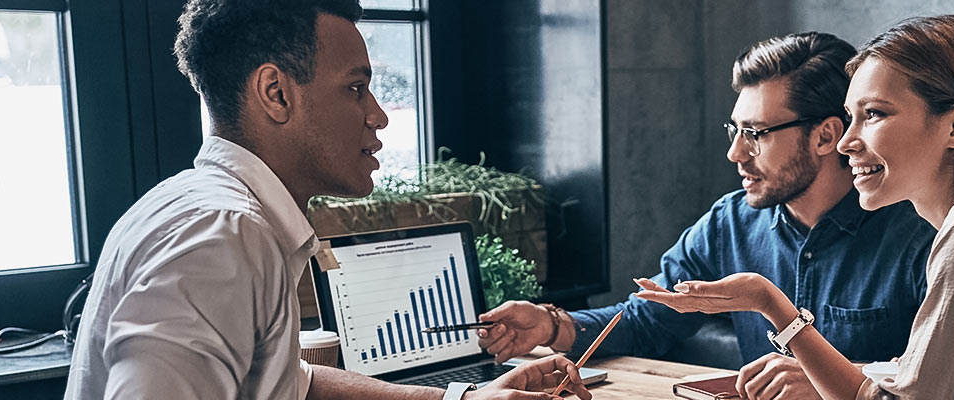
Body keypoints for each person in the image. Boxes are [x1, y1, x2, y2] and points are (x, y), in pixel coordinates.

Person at [64, 1, 592, 399]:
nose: (379, 115)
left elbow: (291, 380)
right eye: (356, 88)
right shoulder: (220, 236)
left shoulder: (205, 207)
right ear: (276, 93)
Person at [636, 14, 954, 400]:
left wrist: (771, 304)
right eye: (850, 116)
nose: (845, 143)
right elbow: (922, 376)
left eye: (874, 114)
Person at [477, 32, 937, 399]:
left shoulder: (921, 232)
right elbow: (648, 318)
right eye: (735, 130)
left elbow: (942, 377)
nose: (735, 152)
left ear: (825, 136)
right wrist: (550, 325)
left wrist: (838, 380)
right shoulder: (729, 223)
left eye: (756, 133)